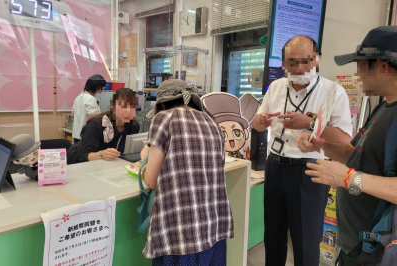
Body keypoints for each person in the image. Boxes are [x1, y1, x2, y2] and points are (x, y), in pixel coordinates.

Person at [297, 26, 397, 266]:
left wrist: (349, 178)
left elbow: (355, 173)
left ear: (383, 66)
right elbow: (358, 154)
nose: (357, 72)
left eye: (361, 64)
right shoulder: (384, 105)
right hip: (355, 245)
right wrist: (322, 146)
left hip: (376, 251)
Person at [252, 35, 352, 266]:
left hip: (310, 171)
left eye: (306, 61)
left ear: (316, 60)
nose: (299, 68)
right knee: (273, 237)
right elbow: (256, 125)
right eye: (292, 62)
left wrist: (310, 123)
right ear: (284, 64)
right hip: (275, 166)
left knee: (306, 241)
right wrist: (261, 121)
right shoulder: (276, 87)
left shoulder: (333, 92)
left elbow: (345, 139)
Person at [139, 79, 234, 265]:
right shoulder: (212, 122)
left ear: (163, 104)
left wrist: (143, 163)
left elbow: (151, 180)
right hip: (213, 226)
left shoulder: (164, 118)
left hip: (180, 230)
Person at [67, 88, 140, 165]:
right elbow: (83, 156)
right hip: (80, 165)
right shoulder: (95, 125)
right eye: (123, 106)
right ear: (113, 107)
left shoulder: (134, 127)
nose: (128, 111)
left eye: (132, 107)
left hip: (108, 166)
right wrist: (102, 154)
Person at [71, 74, 106, 143]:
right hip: (87, 135)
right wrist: (105, 114)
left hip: (77, 134)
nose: (102, 90)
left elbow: (72, 115)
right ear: (98, 87)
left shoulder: (78, 98)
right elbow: (92, 119)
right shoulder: (91, 98)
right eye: (102, 88)